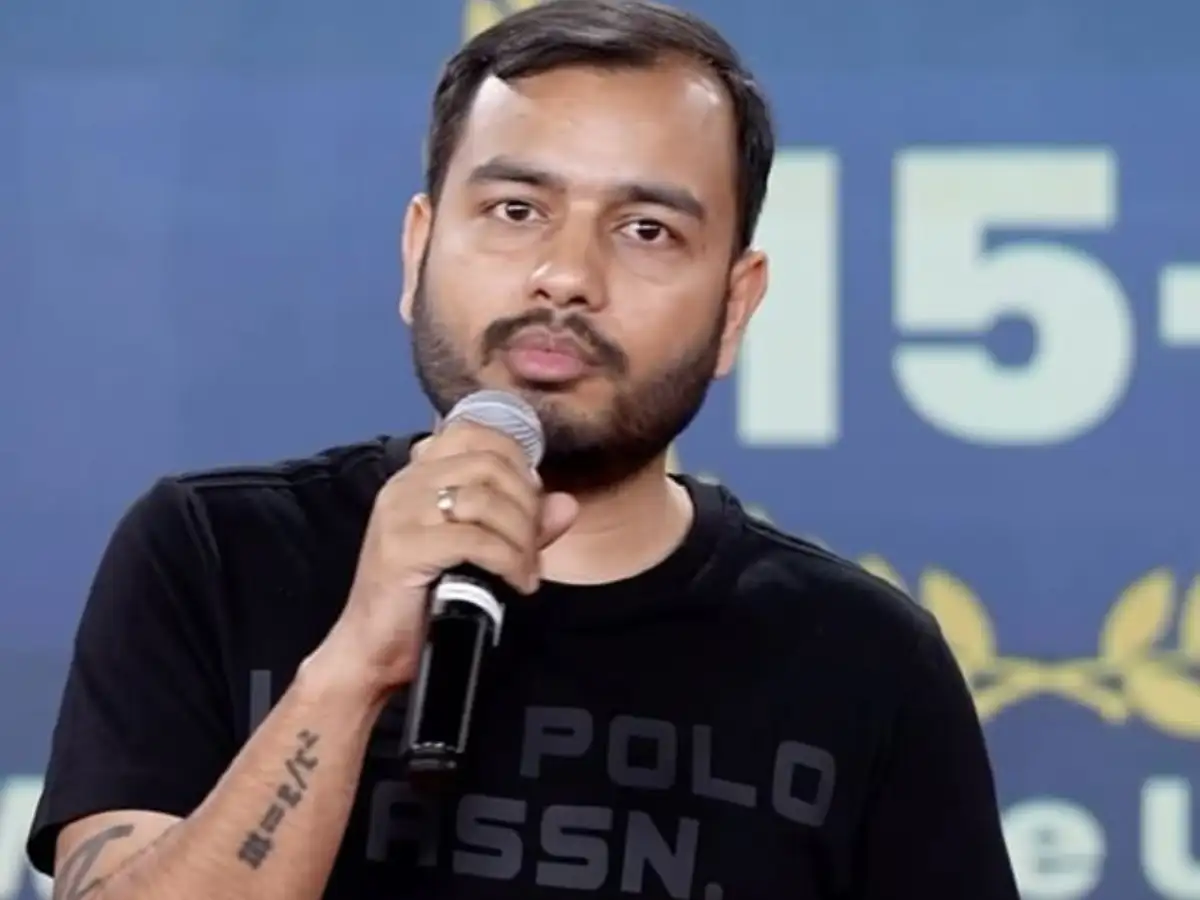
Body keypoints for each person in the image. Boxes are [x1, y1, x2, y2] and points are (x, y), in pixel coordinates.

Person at [26, 0, 1020, 897]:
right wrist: (352, 667)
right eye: (516, 211)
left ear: (735, 307)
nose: (564, 275)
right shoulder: (214, 554)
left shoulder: (865, 662)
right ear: (418, 250)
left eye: (646, 229)